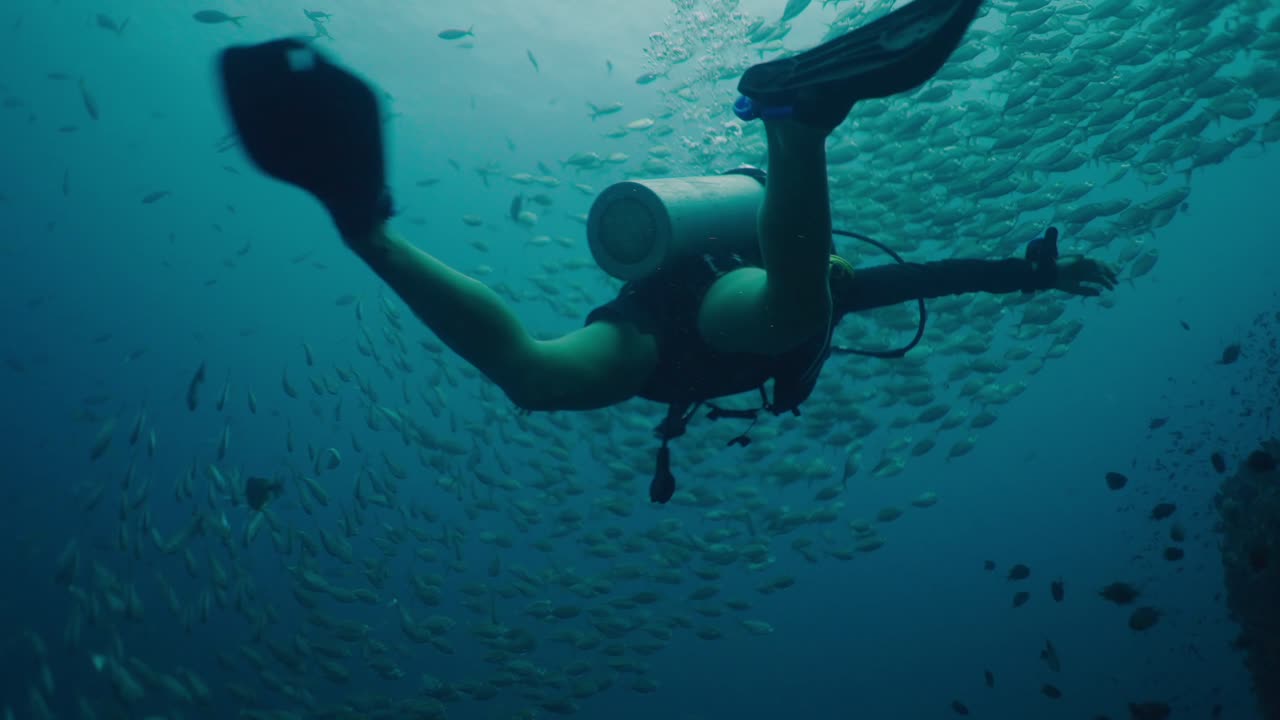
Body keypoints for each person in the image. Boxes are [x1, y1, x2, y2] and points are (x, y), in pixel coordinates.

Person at [218, 0, 1117, 503]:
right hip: (700, 307)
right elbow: (923, 281)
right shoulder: (802, 303)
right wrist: (1023, 274)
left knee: (534, 377)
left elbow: (924, 278)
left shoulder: (772, 314)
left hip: (658, 324)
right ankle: (795, 123)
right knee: (794, 311)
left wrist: (1027, 274)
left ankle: (365, 229)